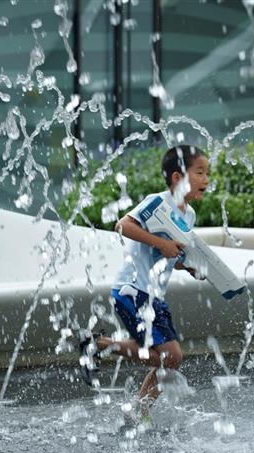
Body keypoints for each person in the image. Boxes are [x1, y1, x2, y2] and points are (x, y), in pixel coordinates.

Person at [79, 145, 210, 428]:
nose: (206, 179)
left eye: (207, 173)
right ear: (177, 178)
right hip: (132, 290)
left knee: (169, 360)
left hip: (154, 297)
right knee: (171, 356)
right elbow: (123, 225)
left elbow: (172, 256)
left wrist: (189, 266)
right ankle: (99, 345)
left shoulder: (189, 216)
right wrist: (161, 243)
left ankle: (138, 411)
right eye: (200, 172)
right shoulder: (157, 203)